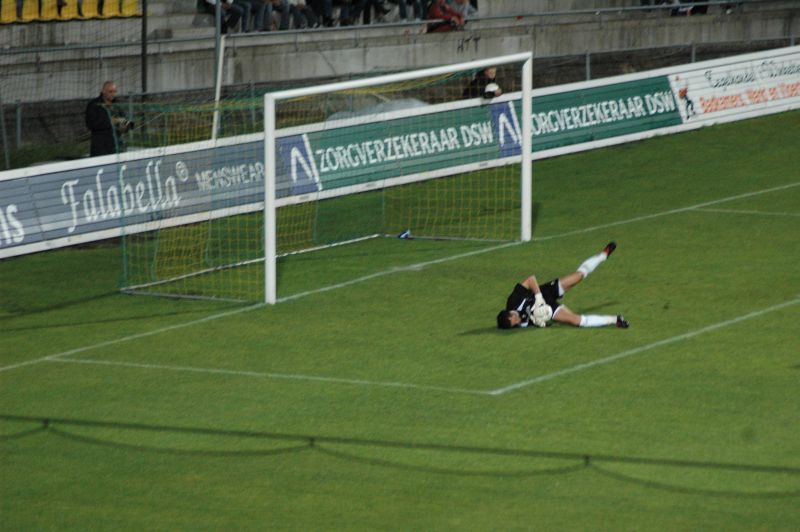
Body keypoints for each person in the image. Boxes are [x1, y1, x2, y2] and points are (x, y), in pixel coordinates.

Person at [496, 242, 630, 330]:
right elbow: (540, 319)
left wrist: (538, 298)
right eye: (515, 324)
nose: (517, 321)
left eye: (515, 318)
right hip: (549, 307)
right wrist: (541, 321)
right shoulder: (520, 323)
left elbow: (531, 279)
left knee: (579, 276)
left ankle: (603, 255)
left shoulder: (513, 300)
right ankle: (615, 320)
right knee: (576, 321)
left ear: (509, 312)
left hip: (544, 292)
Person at [85, 80, 132, 157]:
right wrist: (111, 121)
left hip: (117, 147)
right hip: (100, 149)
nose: (113, 94)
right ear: (103, 91)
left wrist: (125, 127)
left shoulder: (118, 104)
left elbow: (126, 121)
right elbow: (90, 124)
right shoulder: (93, 105)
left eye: (114, 92)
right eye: (110, 92)